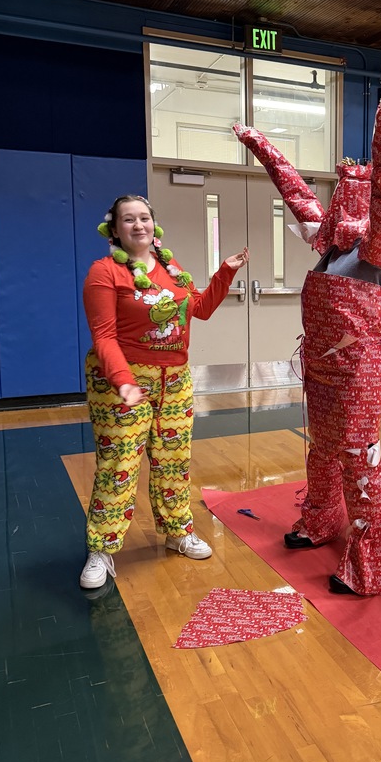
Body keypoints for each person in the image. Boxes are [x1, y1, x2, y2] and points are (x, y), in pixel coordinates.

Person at [233, 92, 381, 596]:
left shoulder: (376, 249)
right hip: (320, 367)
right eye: (341, 191)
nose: (341, 201)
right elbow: (293, 187)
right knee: (321, 450)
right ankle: (321, 519)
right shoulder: (329, 246)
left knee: (359, 457)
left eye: (352, 193)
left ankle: (376, 566)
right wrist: (258, 142)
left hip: (358, 370)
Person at [79, 194, 249, 589]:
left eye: (144, 218)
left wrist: (225, 272)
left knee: (174, 460)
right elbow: (104, 337)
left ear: (154, 225)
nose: (138, 225)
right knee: (119, 465)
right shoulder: (105, 272)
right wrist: (123, 382)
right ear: (114, 229)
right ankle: (100, 549)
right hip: (121, 379)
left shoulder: (172, 269)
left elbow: (200, 309)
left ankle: (177, 532)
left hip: (174, 379)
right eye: (128, 219)